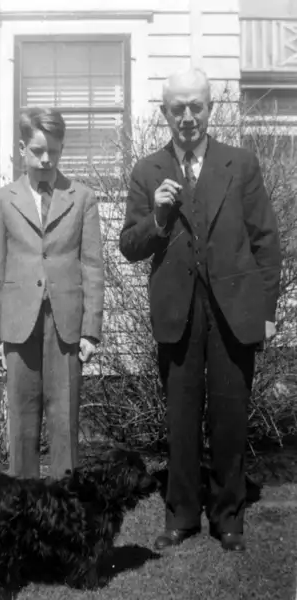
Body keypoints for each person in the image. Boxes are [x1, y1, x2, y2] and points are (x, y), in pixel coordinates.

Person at [120, 68, 282, 552]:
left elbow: (266, 243)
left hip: (234, 312)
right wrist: (158, 217)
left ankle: (228, 516)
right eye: (177, 108)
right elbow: (130, 245)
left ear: (211, 108)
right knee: (181, 418)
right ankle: (182, 514)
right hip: (177, 313)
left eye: (196, 106)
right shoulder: (148, 170)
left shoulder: (241, 164)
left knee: (230, 418)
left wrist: (268, 312)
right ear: (165, 113)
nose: (187, 117)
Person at [0, 107, 104, 481]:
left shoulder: (81, 198)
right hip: (18, 324)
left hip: (66, 324)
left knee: (65, 420)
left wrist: (90, 330)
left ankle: (63, 512)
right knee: (22, 421)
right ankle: (22, 511)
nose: (47, 159)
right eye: (38, 151)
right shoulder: (2, 201)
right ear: (22, 148)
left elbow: (93, 268)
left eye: (54, 150)